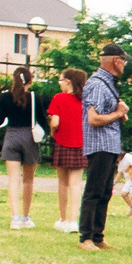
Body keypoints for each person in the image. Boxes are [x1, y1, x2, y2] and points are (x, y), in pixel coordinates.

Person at [77, 44, 131, 251]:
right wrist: (118, 114)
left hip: (110, 145)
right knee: (94, 191)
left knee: (105, 192)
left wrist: (119, 114)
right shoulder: (98, 84)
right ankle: (86, 238)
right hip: (100, 144)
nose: (124, 65)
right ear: (116, 61)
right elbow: (93, 119)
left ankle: (98, 236)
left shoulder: (108, 84)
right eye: (123, 60)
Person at [0, 66, 46, 229]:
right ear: (30, 81)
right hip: (29, 137)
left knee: (13, 179)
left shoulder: (5, 97)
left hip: (12, 136)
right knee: (28, 180)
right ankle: (25, 217)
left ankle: (15, 217)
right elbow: (42, 121)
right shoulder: (34, 98)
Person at [45, 68, 86, 232]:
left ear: (68, 82)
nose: (60, 84)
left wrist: (52, 131)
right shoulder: (85, 100)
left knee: (62, 183)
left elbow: (55, 122)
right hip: (81, 143)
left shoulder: (58, 98)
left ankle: (63, 219)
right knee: (76, 184)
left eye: (61, 80)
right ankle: (73, 220)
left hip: (62, 142)